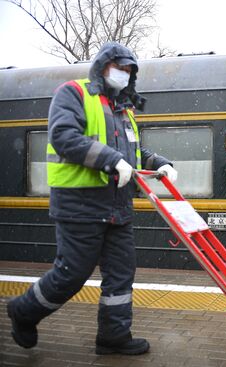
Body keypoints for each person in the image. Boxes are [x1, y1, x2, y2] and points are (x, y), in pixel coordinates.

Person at [6, 42, 177, 355]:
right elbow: (64, 137)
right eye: (119, 67)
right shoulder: (72, 93)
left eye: (128, 70)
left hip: (117, 207)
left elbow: (133, 155)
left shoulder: (123, 109)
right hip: (79, 205)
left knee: (122, 274)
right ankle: (23, 311)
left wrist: (159, 163)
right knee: (71, 275)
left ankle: (114, 336)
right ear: (103, 65)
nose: (123, 74)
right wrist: (111, 160)